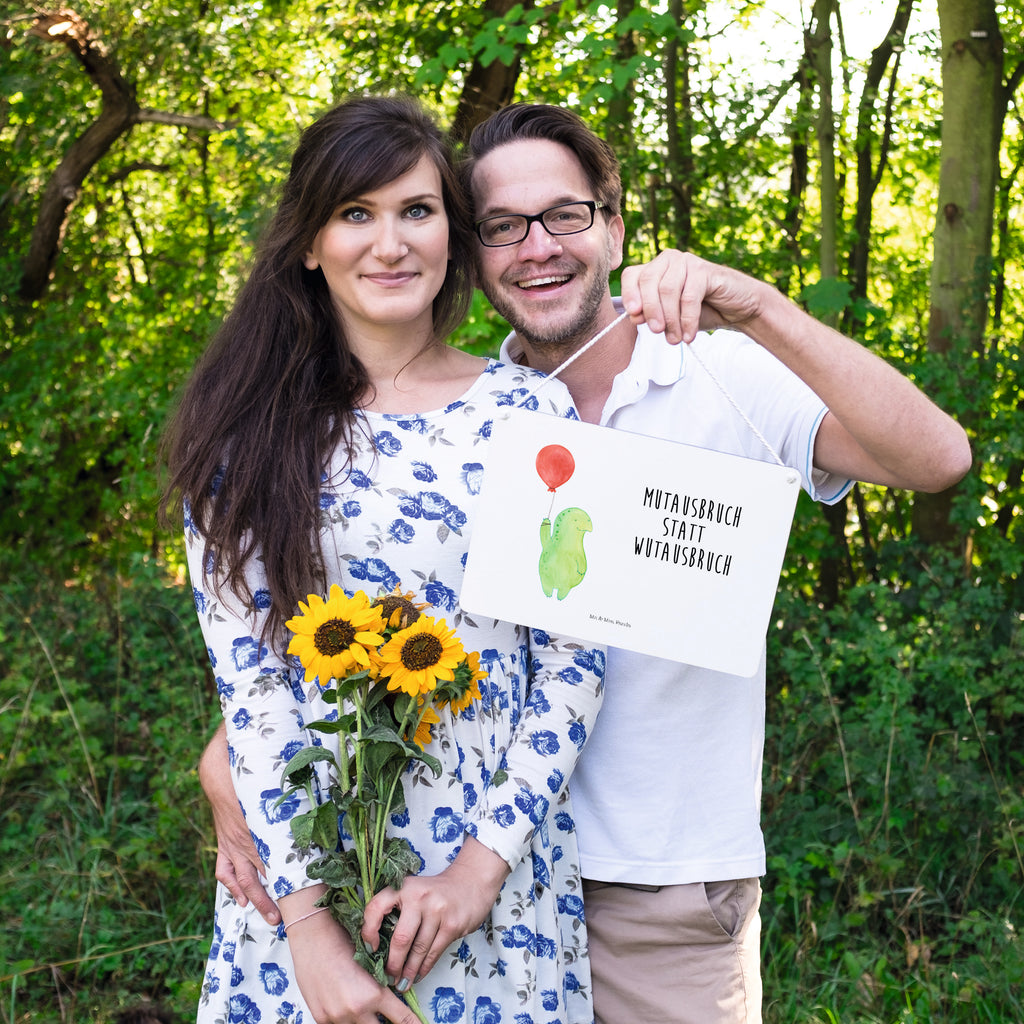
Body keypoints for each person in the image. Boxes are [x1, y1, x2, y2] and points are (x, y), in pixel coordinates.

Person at [202, 102, 972, 1024]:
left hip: (648, 888)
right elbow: (324, 636)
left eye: (565, 215)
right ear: (474, 250)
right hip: (415, 875)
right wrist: (235, 772)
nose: (537, 247)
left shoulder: (709, 374)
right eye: (502, 226)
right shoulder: (454, 416)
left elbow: (937, 461)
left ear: (612, 225)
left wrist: (759, 306)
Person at [163, 96, 607, 1024]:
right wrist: (311, 937)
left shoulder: (534, 417)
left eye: (417, 210)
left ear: (452, 230)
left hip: (492, 887)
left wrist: (478, 873)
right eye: (355, 214)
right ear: (309, 244)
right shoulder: (244, 436)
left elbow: (574, 659)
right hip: (301, 887)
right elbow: (253, 691)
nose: (390, 243)